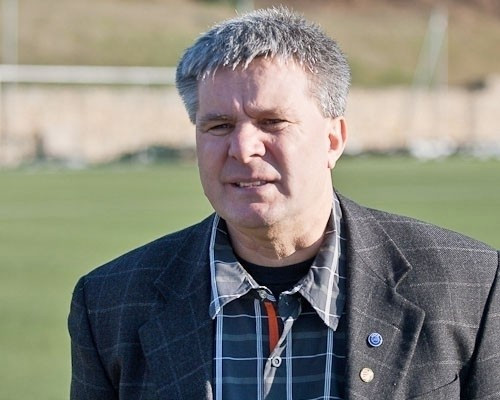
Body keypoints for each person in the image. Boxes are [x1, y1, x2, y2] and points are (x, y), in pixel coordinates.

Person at [68, 7, 500, 400]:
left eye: (272, 122)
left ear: (333, 139)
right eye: (218, 126)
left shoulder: (472, 286)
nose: (243, 148)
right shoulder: (110, 302)